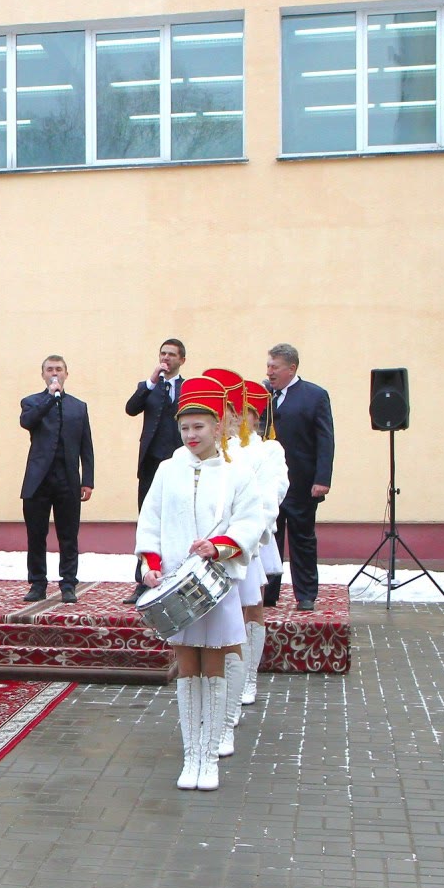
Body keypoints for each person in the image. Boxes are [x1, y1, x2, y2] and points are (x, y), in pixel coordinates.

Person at [134, 376, 269, 792]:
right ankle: (190, 756)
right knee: (185, 668)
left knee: (213, 664)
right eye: (185, 428)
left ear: (217, 426)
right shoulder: (167, 470)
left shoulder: (236, 473)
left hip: (218, 587)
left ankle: (209, 758)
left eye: (199, 426)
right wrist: (151, 565)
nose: (191, 435)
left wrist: (221, 545)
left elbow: (252, 521)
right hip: (177, 586)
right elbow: (151, 521)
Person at [19, 355, 95, 603]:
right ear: (43, 375)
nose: (54, 373)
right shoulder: (31, 402)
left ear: (66, 374)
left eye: (59, 369)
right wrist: (50, 398)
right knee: (36, 534)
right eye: (50, 370)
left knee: (68, 535)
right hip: (38, 479)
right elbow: (27, 422)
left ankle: (68, 584)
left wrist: (88, 479)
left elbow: (86, 445)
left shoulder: (78, 406)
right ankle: (37, 583)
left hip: (68, 479)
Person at [264, 342, 333, 611]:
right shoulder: (264, 395)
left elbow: (325, 440)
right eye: (268, 366)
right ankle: (268, 592)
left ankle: (305, 594)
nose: (269, 372)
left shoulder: (314, 396)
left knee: (302, 539)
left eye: (275, 367)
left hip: (302, 482)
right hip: (269, 483)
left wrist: (322, 478)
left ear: (291, 369)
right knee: (270, 538)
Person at [233, 381, 288, 707]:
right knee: (226, 611)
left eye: (241, 413)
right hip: (221, 541)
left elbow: (273, 492)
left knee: (252, 607)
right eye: (229, 413)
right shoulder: (217, 448)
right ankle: (228, 675)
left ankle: (248, 677)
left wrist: (252, 531)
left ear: (255, 416)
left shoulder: (267, 449)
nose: (233, 420)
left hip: (255, 537)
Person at [123, 338, 187, 601]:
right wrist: (150, 381)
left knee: (178, 519)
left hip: (179, 463)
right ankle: (143, 579)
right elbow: (131, 408)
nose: (166, 358)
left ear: (182, 359)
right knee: (148, 521)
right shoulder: (149, 387)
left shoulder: (189, 388)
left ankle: (178, 577)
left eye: (172, 354)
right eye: (163, 354)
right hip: (151, 462)